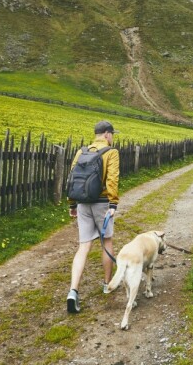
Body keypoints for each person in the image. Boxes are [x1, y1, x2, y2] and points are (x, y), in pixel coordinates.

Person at [67, 120, 121, 313]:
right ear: (107, 134)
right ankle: (107, 285)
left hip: (82, 203)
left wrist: (72, 204)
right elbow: (112, 179)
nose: (112, 137)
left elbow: (72, 178)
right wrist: (113, 204)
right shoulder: (111, 152)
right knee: (106, 241)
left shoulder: (81, 152)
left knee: (83, 247)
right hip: (101, 204)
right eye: (112, 134)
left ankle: (73, 291)